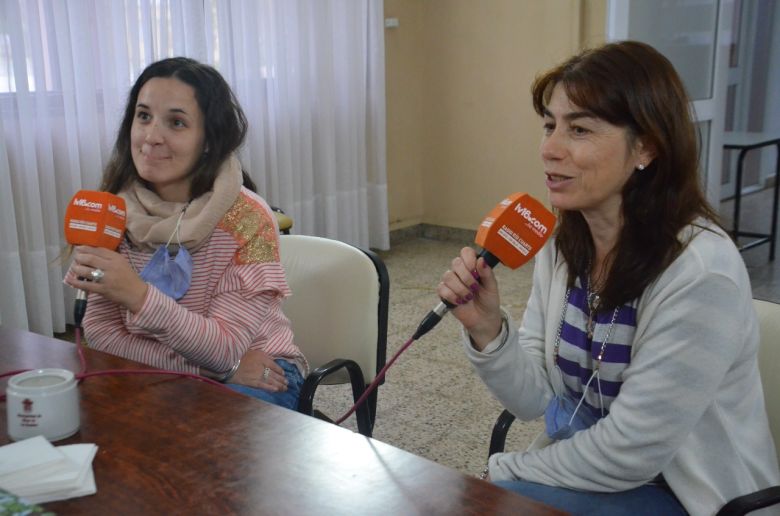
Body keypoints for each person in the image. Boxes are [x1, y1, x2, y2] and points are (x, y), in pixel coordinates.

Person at [438, 41, 780, 515]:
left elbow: (630, 454)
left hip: (690, 494)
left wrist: (507, 470)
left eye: (579, 129)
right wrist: (488, 331)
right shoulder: (564, 246)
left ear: (646, 147)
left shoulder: (700, 272)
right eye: (549, 125)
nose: (550, 149)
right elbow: (535, 398)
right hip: (594, 469)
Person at [65, 57, 307, 409]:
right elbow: (101, 335)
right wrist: (205, 370)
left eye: (176, 123)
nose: (151, 137)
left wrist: (137, 295)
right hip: (183, 368)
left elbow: (225, 349)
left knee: (205, 445)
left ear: (209, 140)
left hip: (261, 371)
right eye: (143, 116)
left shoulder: (247, 219)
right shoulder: (111, 213)